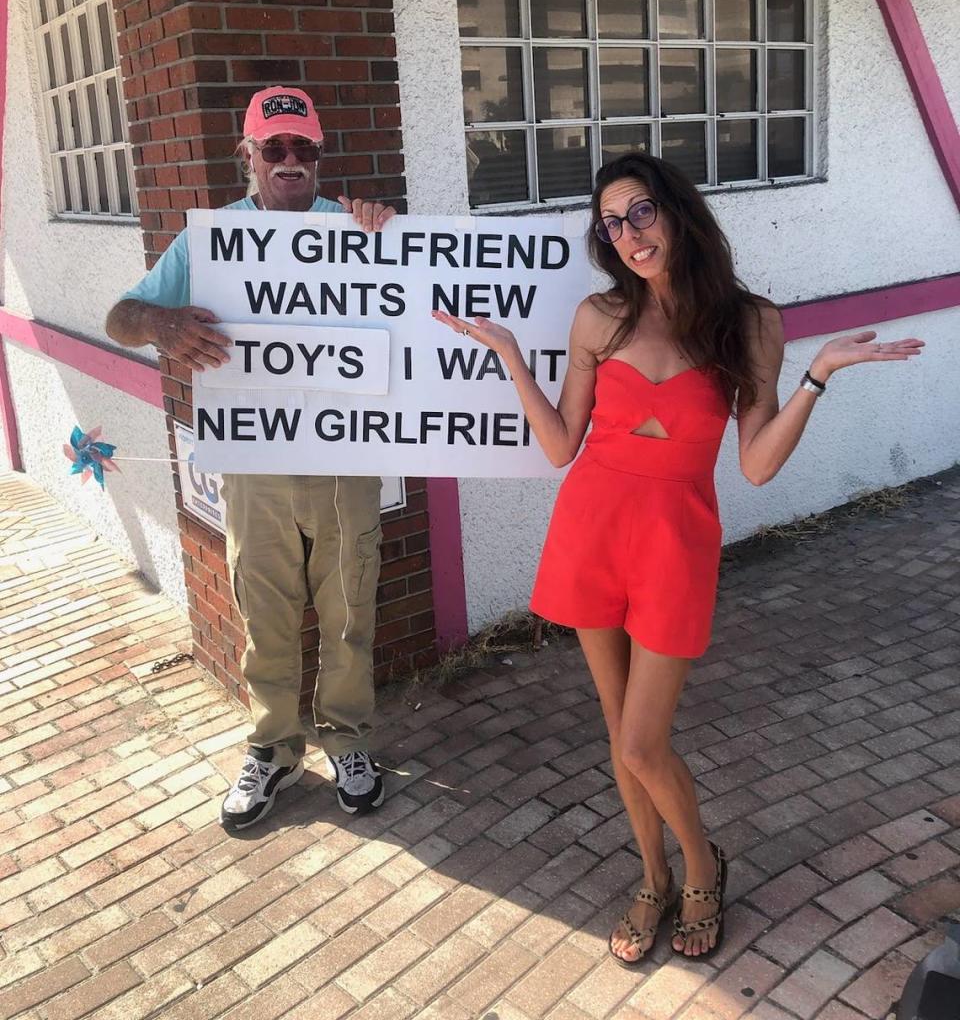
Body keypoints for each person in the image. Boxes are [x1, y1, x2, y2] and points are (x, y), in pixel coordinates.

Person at [434, 152, 924, 964]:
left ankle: (703, 867)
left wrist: (818, 378)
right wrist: (512, 359)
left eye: (640, 212)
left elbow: (758, 463)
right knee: (617, 728)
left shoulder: (752, 321)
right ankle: (653, 876)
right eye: (611, 223)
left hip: (675, 542)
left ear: (677, 212)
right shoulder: (599, 317)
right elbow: (560, 445)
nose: (628, 234)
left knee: (640, 742)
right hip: (592, 529)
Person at [106, 86, 396, 829]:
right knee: (263, 611)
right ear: (249, 156)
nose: (291, 162)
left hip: (343, 455)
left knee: (348, 609)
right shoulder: (209, 241)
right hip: (256, 460)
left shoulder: (356, 229)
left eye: (305, 149)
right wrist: (164, 323)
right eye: (275, 148)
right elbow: (121, 317)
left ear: (320, 157)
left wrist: (397, 241)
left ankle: (350, 740)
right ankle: (272, 747)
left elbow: (423, 312)